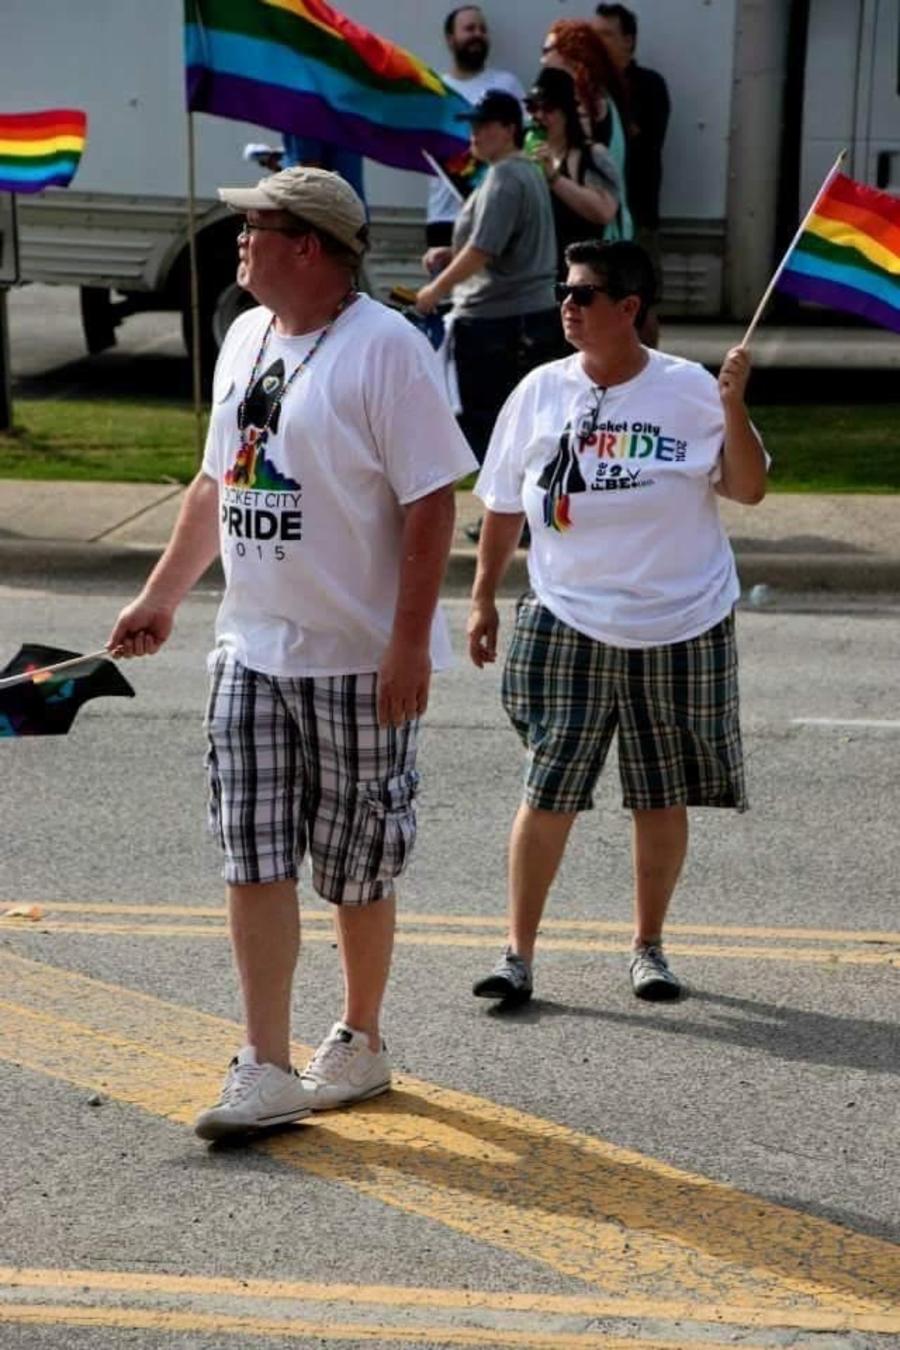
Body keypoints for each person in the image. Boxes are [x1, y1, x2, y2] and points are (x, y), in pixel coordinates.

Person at [108, 167, 476, 1141]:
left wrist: (408, 645)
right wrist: (163, 595)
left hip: (357, 656)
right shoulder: (243, 335)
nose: (238, 239)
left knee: (359, 866)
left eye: (254, 226)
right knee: (252, 853)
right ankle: (264, 1062)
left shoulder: (387, 351)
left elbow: (433, 500)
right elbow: (213, 483)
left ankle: (357, 1040)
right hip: (253, 648)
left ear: (307, 245)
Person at [466, 240, 767, 1007]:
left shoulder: (690, 389)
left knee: (658, 793)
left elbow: (748, 488)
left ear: (629, 309)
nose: (567, 307)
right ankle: (517, 954)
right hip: (569, 614)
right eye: (564, 293)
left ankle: (649, 948)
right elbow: (503, 503)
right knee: (549, 786)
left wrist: (733, 408)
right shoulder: (539, 390)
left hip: (679, 619)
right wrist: (482, 597)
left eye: (585, 295)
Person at [415, 89, 558, 469]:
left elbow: (483, 250)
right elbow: (500, 241)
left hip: (499, 321)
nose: (474, 134)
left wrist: (435, 288)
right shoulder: (527, 171)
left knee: (493, 428)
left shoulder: (503, 177)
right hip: (529, 315)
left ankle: (508, 520)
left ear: (510, 128)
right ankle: (520, 519)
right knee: (523, 425)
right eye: (472, 126)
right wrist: (451, 252)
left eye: (484, 125)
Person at [594, 3, 670, 344]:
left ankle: (651, 366)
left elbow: (643, 138)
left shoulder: (649, 86)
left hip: (638, 213)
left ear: (629, 41)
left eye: (607, 35)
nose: (599, 42)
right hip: (597, 212)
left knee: (643, 299)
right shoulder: (589, 88)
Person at [426, 6, 525, 247]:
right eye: (469, 29)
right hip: (444, 214)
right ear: (451, 39)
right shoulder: (434, 89)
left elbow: (526, 140)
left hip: (494, 211)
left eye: (482, 29)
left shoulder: (506, 85)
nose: (477, 34)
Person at [540, 19, 632, 243]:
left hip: (591, 233)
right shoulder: (594, 98)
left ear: (570, 53)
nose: (542, 59)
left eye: (547, 50)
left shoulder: (592, 102)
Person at [523, 66, 621, 277]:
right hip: (537, 280)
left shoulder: (592, 155)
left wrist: (554, 178)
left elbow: (604, 211)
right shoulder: (526, 154)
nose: (538, 116)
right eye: (532, 107)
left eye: (548, 108)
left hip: (581, 278)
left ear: (567, 112)